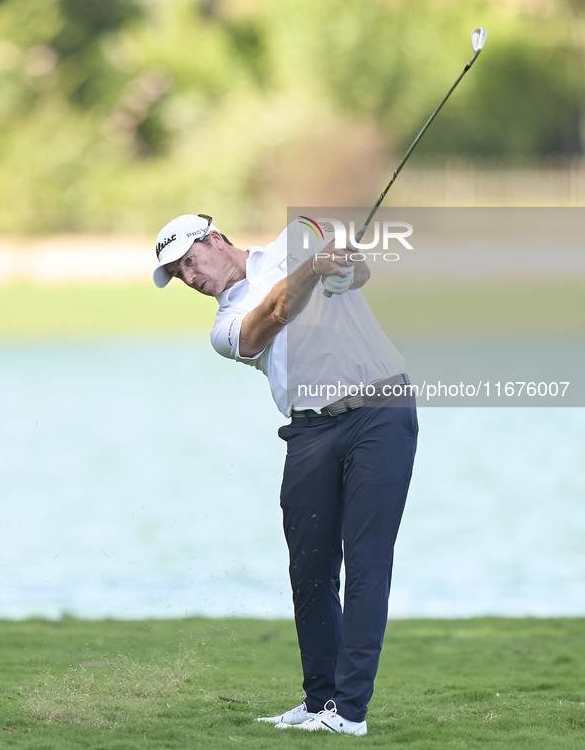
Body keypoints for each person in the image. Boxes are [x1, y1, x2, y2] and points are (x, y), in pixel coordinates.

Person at [153, 212, 418, 737]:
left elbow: (355, 270)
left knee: (366, 563)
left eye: (189, 261)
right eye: (178, 274)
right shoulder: (224, 327)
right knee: (310, 571)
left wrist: (341, 267)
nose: (189, 278)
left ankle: (349, 713)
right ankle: (320, 700)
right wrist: (314, 269)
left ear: (215, 239)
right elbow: (272, 314)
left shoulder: (294, 240)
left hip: (380, 412)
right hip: (309, 431)